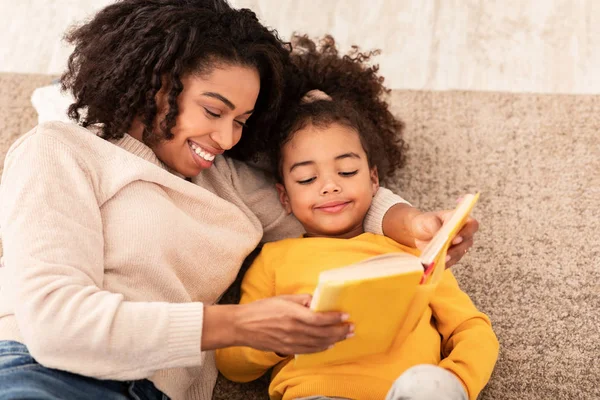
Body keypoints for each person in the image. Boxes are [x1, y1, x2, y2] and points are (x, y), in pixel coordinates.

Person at [0, 2, 478, 400]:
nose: (227, 138)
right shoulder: (61, 150)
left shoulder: (231, 181)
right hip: (41, 373)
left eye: (244, 120)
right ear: (156, 83)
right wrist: (239, 324)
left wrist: (412, 223)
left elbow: (328, 201)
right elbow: (56, 325)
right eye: (213, 110)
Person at [215, 35, 498, 400]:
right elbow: (232, 364)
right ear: (283, 195)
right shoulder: (274, 259)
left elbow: (471, 328)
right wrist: (278, 334)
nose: (330, 186)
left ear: (375, 180)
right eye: (306, 178)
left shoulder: (413, 251)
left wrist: (456, 380)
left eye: (347, 172)